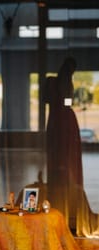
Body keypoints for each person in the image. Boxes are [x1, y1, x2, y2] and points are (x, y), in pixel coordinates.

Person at [45, 57, 99, 236]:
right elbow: (67, 101)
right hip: (64, 120)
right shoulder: (61, 83)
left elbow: (56, 101)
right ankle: (66, 201)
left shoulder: (53, 83)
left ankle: (65, 200)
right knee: (65, 156)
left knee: (62, 155)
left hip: (57, 120)